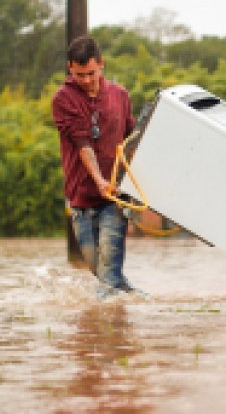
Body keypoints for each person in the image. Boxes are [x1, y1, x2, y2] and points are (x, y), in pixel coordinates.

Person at [52, 35, 143, 298]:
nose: (87, 80)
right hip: (81, 196)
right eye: (80, 74)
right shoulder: (63, 100)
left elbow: (132, 140)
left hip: (113, 196)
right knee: (98, 268)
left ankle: (110, 333)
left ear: (101, 64)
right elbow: (82, 144)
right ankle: (136, 301)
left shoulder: (120, 95)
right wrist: (98, 179)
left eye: (91, 73)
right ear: (70, 67)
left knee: (108, 275)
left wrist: (132, 185)